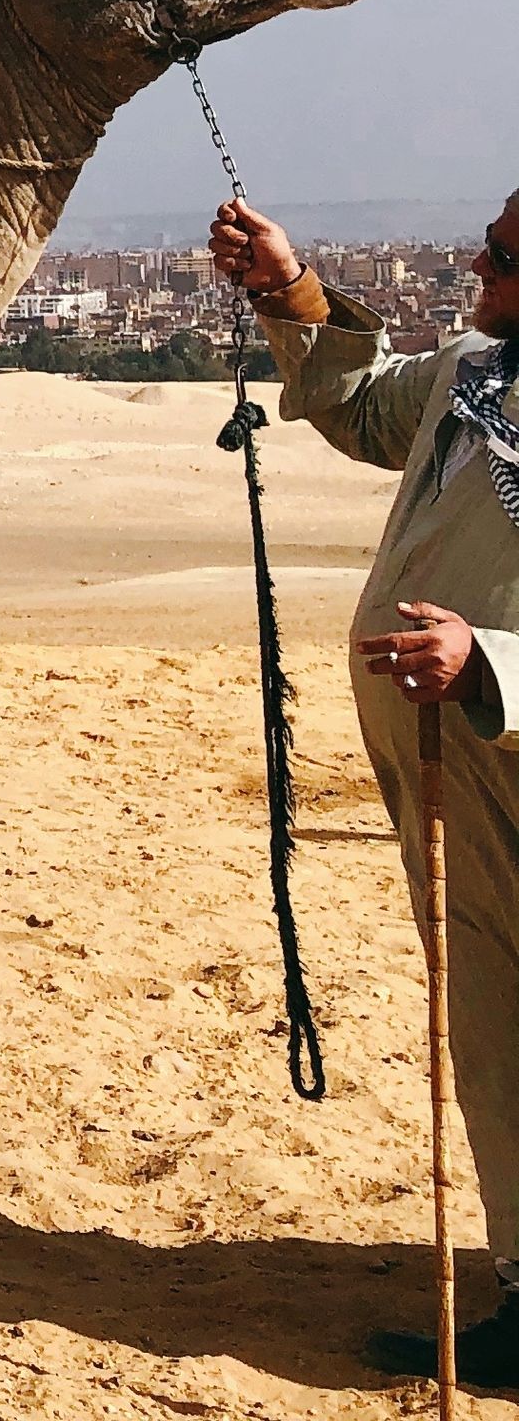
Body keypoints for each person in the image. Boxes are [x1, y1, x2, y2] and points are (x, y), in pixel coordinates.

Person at [213, 190, 519, 1386]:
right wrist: (289, 288)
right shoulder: (474, 372)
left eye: (502, 255)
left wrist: (489, 662)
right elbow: (357, 405)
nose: (480, 267)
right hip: (459, 781)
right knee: (496, 1029)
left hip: (499, 732)